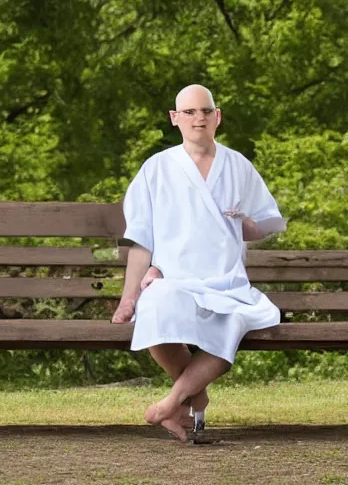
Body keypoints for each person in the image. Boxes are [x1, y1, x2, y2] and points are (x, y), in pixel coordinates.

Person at [112, 85, 286, 442]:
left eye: (206, 111)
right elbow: (142, 240)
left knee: (233, 322)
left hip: (227, 281)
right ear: (175, 119)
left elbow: (268, 222)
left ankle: (174, 399)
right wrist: (128, 298)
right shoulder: (156, 169)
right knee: (155, 308)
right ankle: (197, 393)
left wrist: (246, 224)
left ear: (217, 117)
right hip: (174, 278)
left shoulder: (238, 165)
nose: (199, 118)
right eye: (189, 112)